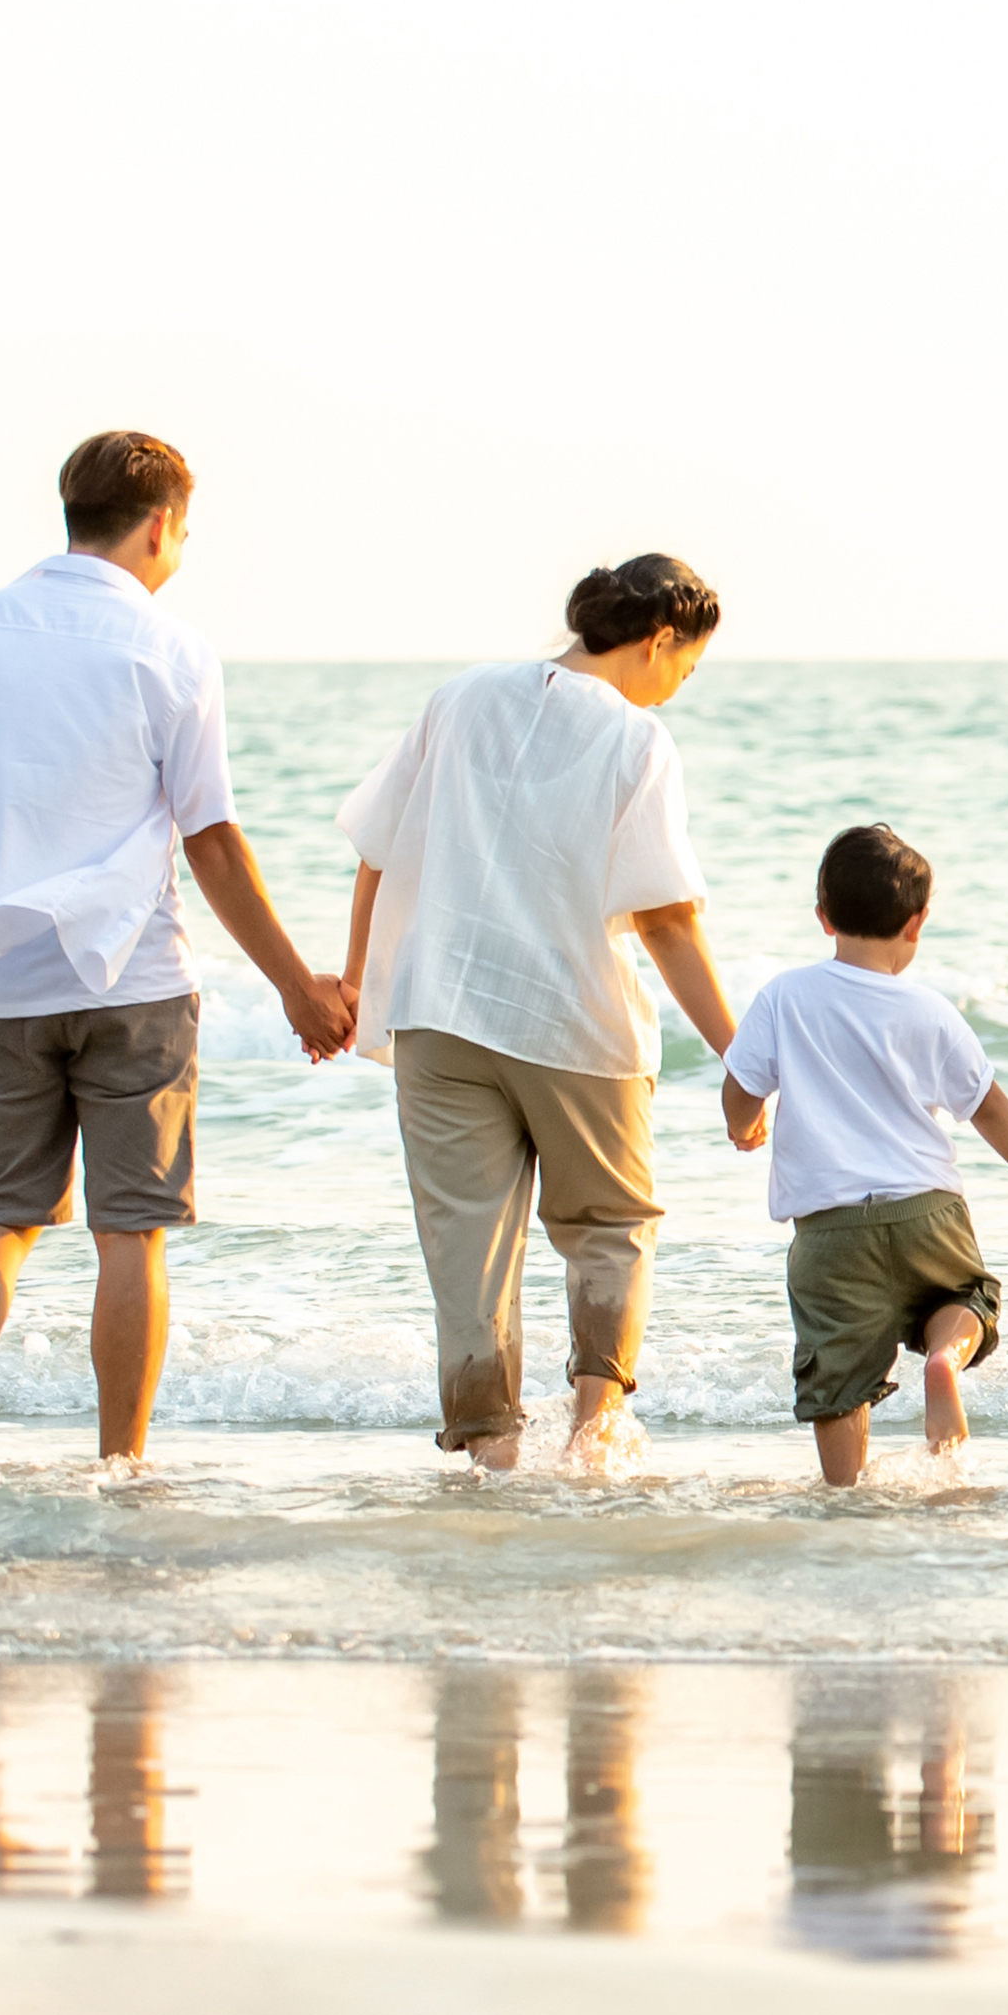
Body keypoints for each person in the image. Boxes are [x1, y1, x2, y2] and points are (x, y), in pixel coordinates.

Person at [0, 431, 354, 1477]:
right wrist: (297, 984)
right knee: (129, 1233)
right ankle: (119, 1463)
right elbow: (212, 839)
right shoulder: (172, 650)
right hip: (135, 978)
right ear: (158, 523)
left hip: (4, 979)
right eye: (183, 527)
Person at [334, 555, 743, 1473]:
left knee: (466, 1244)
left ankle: (491, 1453)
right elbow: (668, 919)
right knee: (609, 1225)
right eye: (686, 665)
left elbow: (377, 851)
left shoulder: (462, 697)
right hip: (573, 1022)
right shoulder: (637, 742)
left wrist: (356, 979)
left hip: (437, 1013)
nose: (679, 686)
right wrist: (739, 1056)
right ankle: (595, 1433)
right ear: (659, 638)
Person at [719, 823, 1008, 1484]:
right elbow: (990, 1108)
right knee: (964, 1295)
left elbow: (741, 1087)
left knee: (838, 1375)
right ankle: (944, 1357)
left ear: (823, 917)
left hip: (831, 1233)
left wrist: (745, 1125)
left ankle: (845, 1495)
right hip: (928, 1212)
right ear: (917, 924)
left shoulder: (785, 996)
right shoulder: (931, 1010)